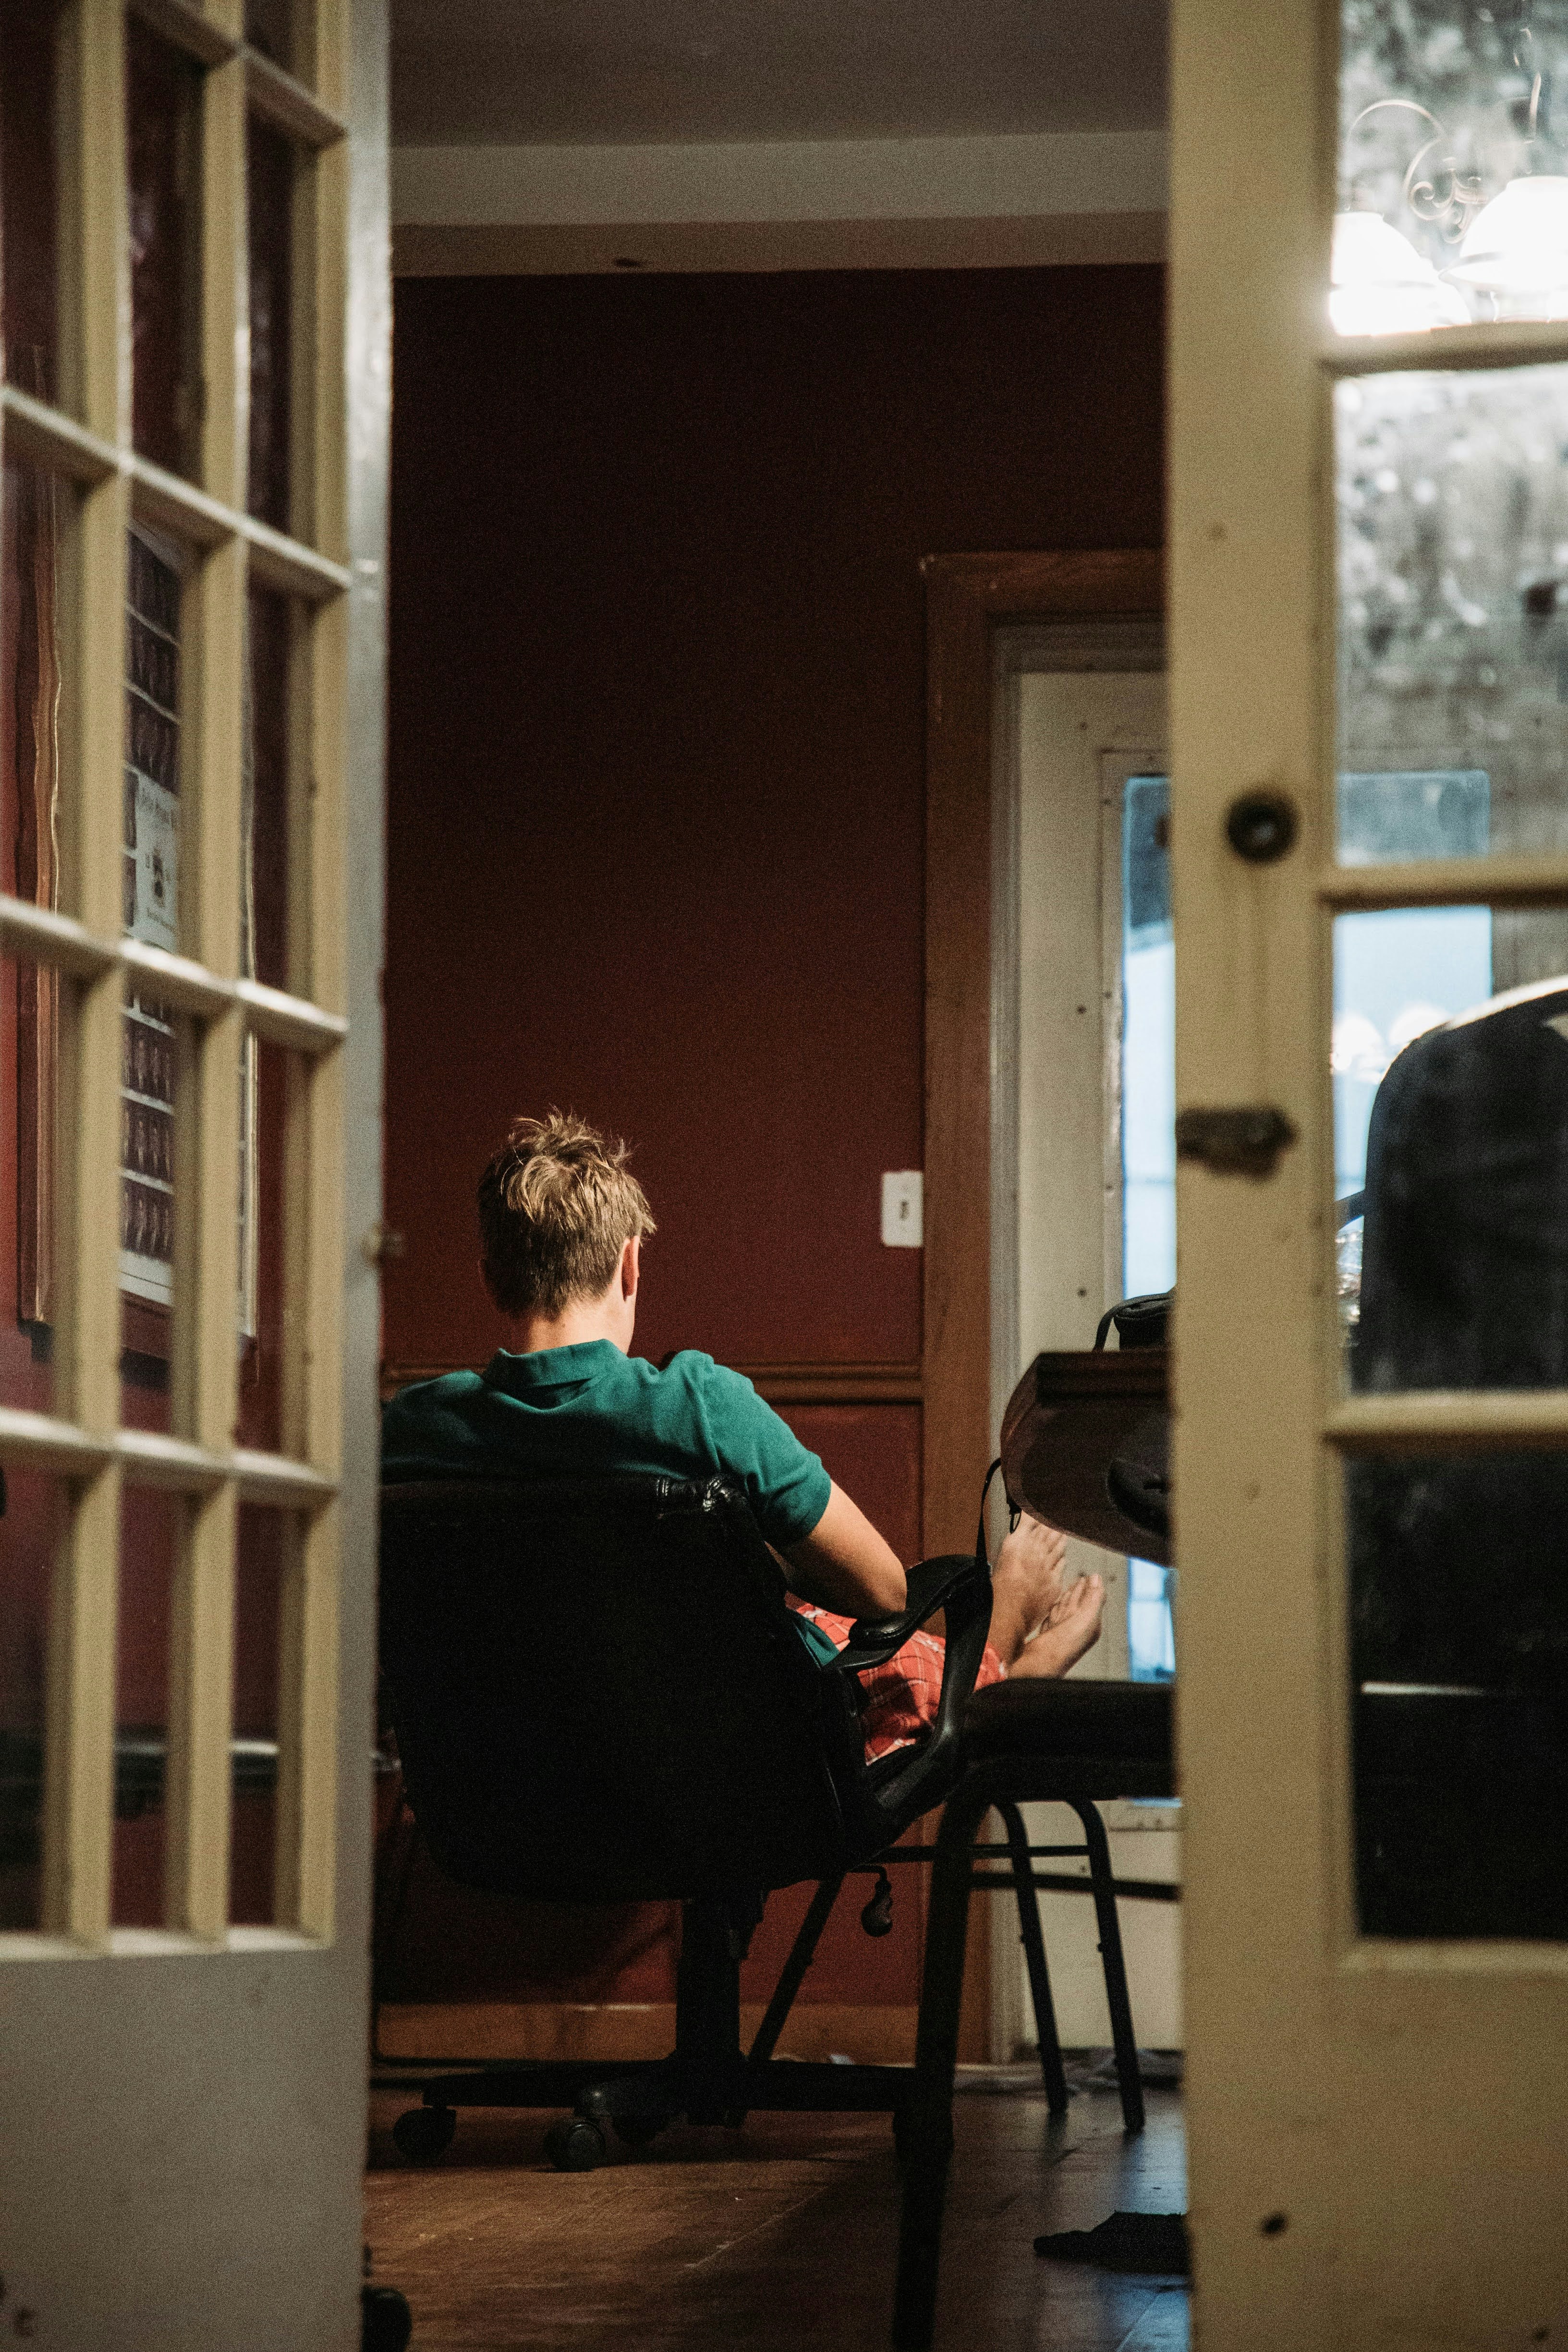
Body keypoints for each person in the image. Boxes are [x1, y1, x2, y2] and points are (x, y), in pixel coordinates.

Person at [382, 1112, 1106, 1760]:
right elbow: (884, 1592)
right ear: (630, 1263)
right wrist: (765, 1554)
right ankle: (1012, 1657)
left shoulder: (412, 1430)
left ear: (491, 1278)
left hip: (510, 1771)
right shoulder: (697, 1406)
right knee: (869, 1656)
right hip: (723, 1768)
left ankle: (1000, 1651)